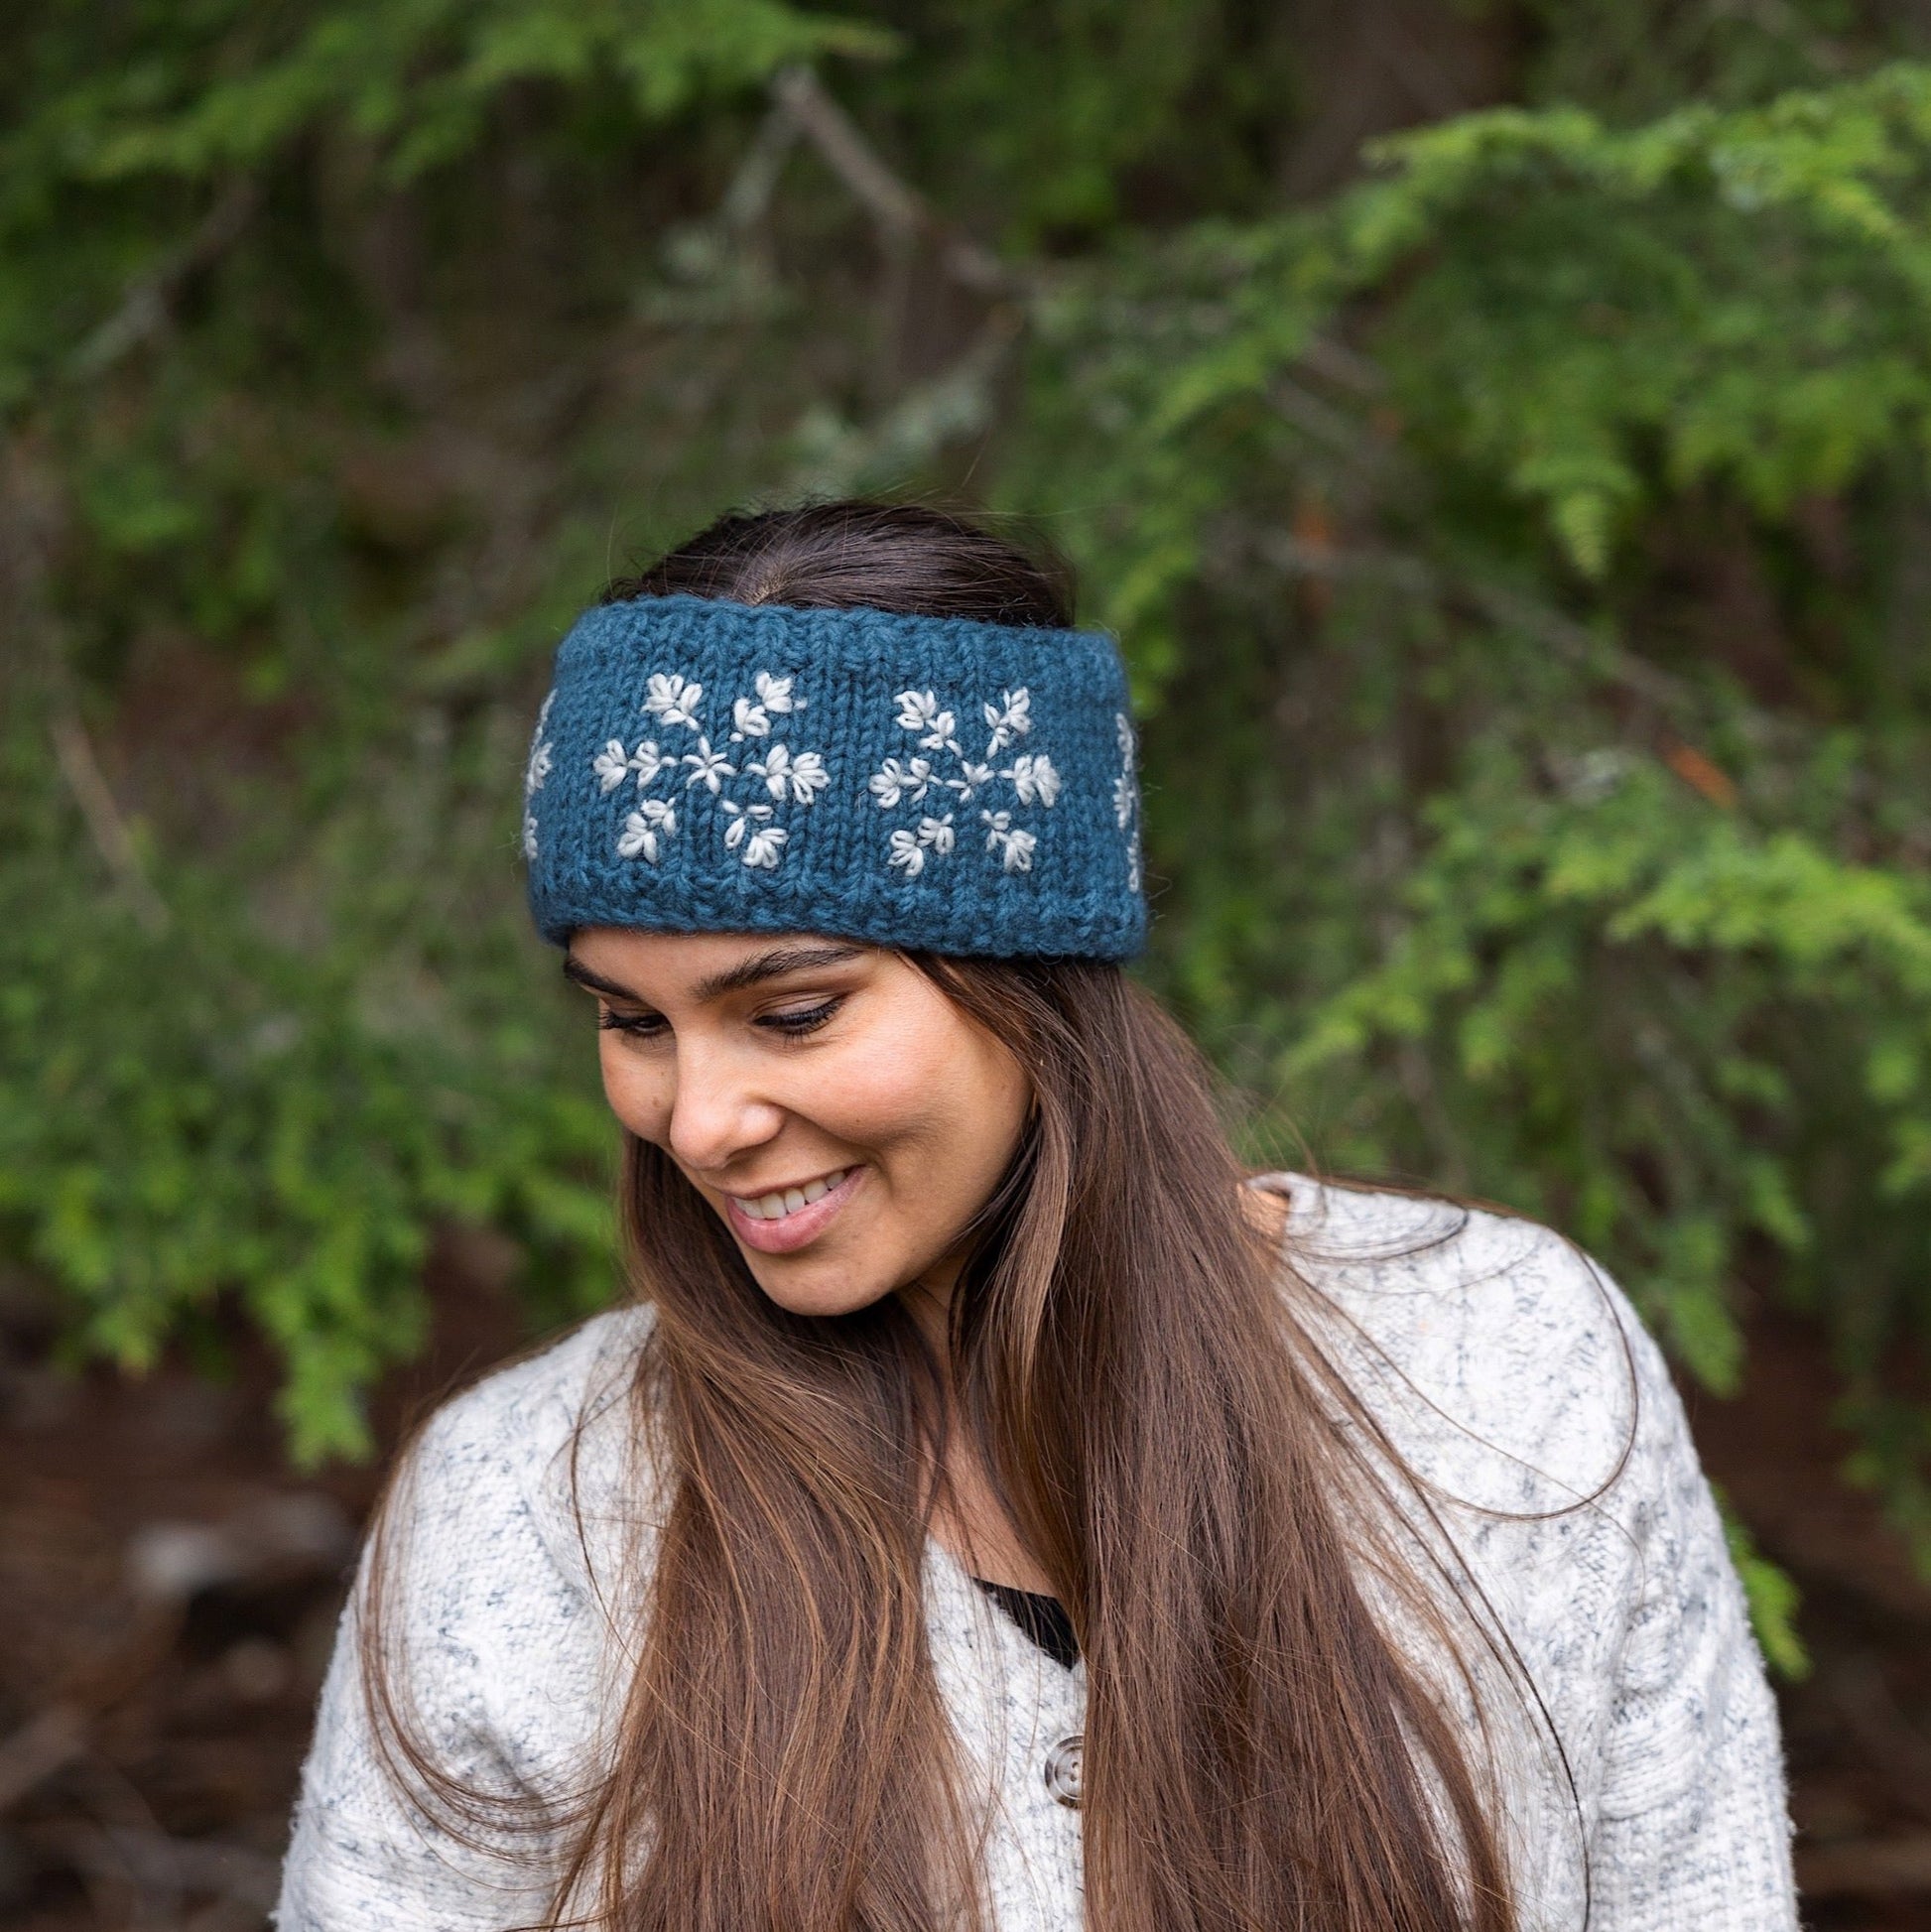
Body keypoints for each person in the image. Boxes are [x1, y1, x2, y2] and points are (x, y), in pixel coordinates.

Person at [275, 502, 1798, 1932]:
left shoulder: (1502, 1364)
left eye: (791, 1012)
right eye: (632, 1020)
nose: (696, 1120)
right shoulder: (525, 1510)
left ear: (1034, 979)